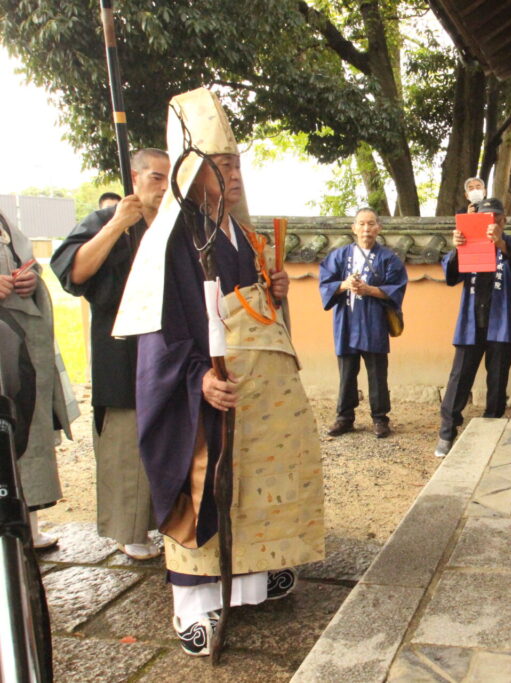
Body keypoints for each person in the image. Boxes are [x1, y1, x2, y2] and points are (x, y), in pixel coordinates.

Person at [119, 88, 325, 656]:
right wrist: (196, 379)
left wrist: (272, 290)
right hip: (206, 389)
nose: (234, 174)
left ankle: (255, 577)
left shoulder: (234, 230)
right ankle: (195, 603)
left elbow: (250, 306)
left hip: (255, 390)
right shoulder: (172, 239)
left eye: (236, 163)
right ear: (192, 170)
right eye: (221, 164)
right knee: (207, 485)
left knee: (261, 478)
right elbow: (160, 330)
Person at [51, 149, 168, 561]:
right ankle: (129, 529)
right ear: (135, 178)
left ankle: (171, 521)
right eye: (156, 178)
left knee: (171, 440)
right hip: (122, 353)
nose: (164, 187)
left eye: (171, 179)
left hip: (169, 350)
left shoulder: (178, 225)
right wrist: (119, 222)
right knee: (125, 445)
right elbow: (74, 273)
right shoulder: (106, 220)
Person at [435, 197, 511, 458]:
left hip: (501, 323)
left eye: (495, 218)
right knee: (459, 379)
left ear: (504, 221)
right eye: (485, 218)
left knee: (497, 379)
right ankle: (447, 432)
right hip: (471, 323)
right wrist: (457, 249)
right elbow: (450, 276)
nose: (490, 223)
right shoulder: (468, 243)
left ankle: (491, 428)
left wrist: (501, 245)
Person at [0, 211, 73, 549]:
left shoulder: (4, 219)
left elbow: (24, 260)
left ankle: (25, 525)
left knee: (21, 427)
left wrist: (31, 277)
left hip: (17, 343)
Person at [319, 208, 408, 439]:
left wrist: (368, 289)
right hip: (346, 320)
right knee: (347, 372)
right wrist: (344, 284)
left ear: (378, 228)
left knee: (377, 372)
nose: (366, 229)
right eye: (361, 224)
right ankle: (344, 417)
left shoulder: (388, 258)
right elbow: (326, 283)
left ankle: (380, 419)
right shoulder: (339, 256)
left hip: (374, 321)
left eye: (371, 224)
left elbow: (396, 288)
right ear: (354, 228)